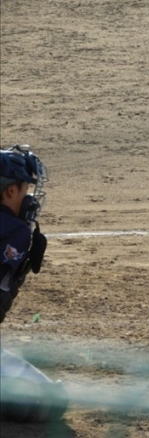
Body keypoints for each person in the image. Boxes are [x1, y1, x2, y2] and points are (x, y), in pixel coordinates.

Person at [0, 145, 68, 422]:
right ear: (10, 191)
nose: (30, 197)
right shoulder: (15, 231)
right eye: (26, 188)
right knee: (45, 401)